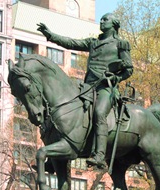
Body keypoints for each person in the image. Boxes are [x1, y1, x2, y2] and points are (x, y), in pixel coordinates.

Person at [37, 13, 133, 169]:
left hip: (106, 88)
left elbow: (129, 69)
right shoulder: (93, 42)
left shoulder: (121, 44)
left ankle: (100, 155)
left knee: (99, 113)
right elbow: (71, 43)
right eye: (101, 19)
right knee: (66, 110)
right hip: (87, 87)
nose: (101, 22)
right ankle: (53, 156)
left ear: (114, 24)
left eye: (105, 20)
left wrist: (116, 78)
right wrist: (50, 35)